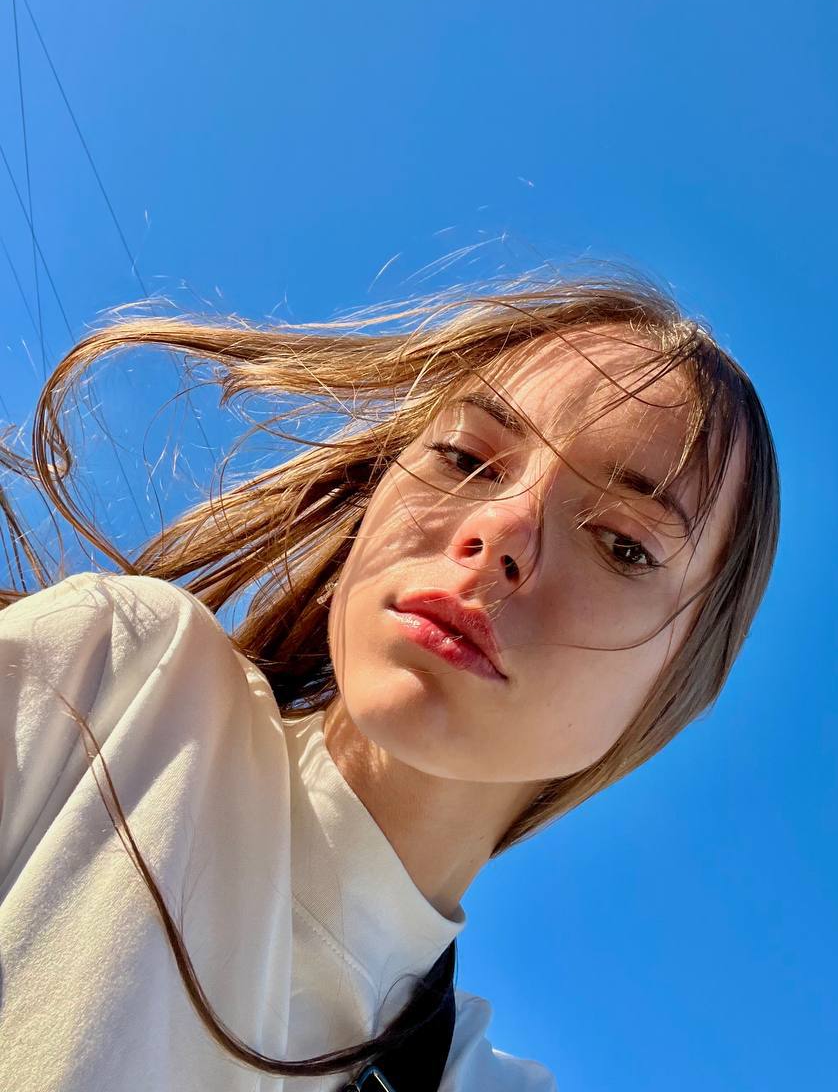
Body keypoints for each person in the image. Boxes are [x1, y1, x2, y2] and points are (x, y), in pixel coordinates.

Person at [0, 266, 780, 1091]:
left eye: (624, 543)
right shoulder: (119, 681)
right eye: (465, 457)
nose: (499, 529)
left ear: (677, 684)